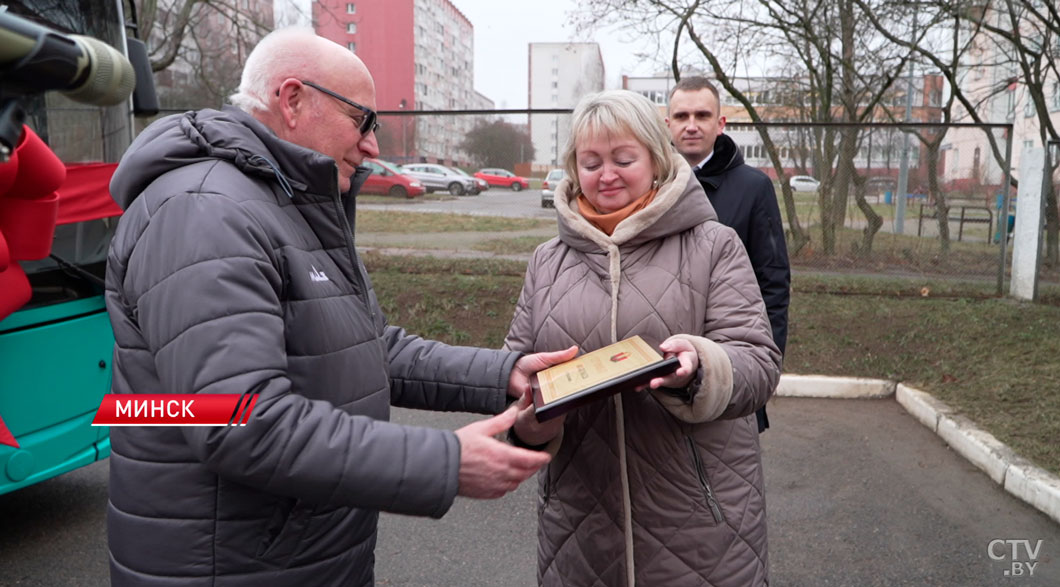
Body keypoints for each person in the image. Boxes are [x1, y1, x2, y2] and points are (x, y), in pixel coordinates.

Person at [103, 28, 573, 586]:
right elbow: (237, 419)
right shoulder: (203, 212)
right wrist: (442, 463)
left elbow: (366, 347)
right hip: (230, 564)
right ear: (293, 99)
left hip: (294, 553)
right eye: (362, 120)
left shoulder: (282, 204)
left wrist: (505, 373)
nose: (373, 144)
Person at [505, 90, 782, 586]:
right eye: (590, 162)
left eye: (623, 159)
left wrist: (701, 366)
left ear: (655, 158)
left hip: (699, 520)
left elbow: (758, 362)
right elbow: (515, 370)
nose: (605, 174)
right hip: (580, 523)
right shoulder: (546, 261)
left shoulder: (713, 245)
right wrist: (529, 423)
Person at [666, 76, 791, 433]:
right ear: (668, 124)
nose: (691, 125)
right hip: (662, 366)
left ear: (720, 123)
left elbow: (773, 283)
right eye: (682, 116)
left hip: (725, 366)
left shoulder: (753, 188)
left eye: (702, 115)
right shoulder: (649, 184)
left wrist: (763, 367)